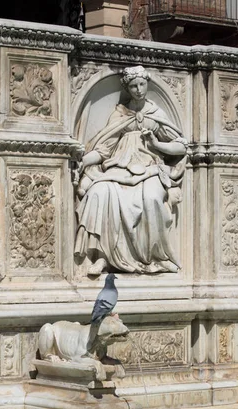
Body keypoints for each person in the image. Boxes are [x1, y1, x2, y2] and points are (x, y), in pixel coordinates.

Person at [75, 65, 188, 275]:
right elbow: (103, 149)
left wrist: (157, 144)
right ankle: (102, 257)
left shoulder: (156, 114)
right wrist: (84, 161)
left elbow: (181, 146)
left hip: (150, 169)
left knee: (152, 198)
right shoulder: (119, 114)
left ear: (147, 85)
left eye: (142, 84)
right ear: (127, 88)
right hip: (118, 168)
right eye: (133, 86)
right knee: (100, 192)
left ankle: (156, 257)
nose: (138, 89)